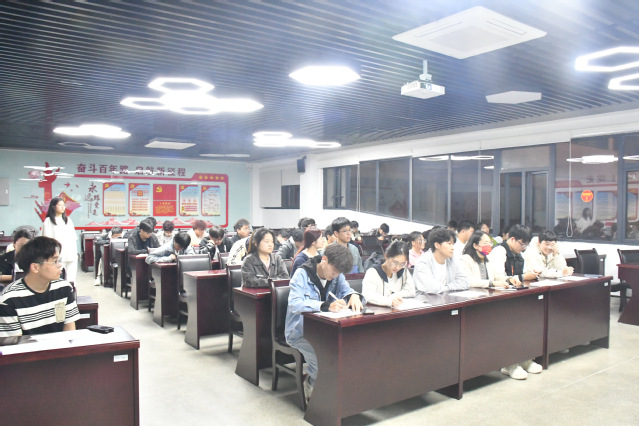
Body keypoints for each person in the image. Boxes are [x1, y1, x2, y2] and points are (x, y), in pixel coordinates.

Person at [285, 244, 364, 403]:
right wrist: (324, 306)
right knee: (322, 358)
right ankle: (313, 391)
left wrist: (354, 295)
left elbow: (347, 290)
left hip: (327, 332)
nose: (335, 276)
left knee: (351, 354)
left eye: (339, 273)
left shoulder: (337, 275)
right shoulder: (302, 274)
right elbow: (295, 304)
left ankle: (337, 397)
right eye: (334, 271)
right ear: (324, 260)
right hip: (300, 332)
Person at [0, 237, 80, 337]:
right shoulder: (9, 299)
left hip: (60, 346)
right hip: (26, 347)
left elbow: (69, 331)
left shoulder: (64, 288)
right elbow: (14, 342)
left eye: (59, 260)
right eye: (55, 261)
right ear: (35, 267)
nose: (60, 265)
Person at [413, 228, 469, 294]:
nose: (452, 248)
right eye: (449, 244)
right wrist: (450, 287)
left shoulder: (452, 259)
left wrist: (446, 288)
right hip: (426, 298)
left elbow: (465, 282)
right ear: (437, 245)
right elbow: (431, 288)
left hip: (445, 296)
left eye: (453, 244)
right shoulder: (423, 262)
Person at [362, 241, 416, 307]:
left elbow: (411, 291)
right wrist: (389, 301)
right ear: (386, 256)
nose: (397, 267)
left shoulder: (403, 270)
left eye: (402, 264)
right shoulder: (373, 272)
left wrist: (395, 295)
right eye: (395, 262)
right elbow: (368, 295)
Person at [42, 197, 78, 284]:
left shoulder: (68, 220)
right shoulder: (48, 221)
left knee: (71, 276)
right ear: (53, 207)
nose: (62, 207)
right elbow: (46, 240)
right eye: (59, 205)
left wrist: (75, 252)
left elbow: (73, 238)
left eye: (64, 205)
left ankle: (71, 289)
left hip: (70, 252)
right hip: (57, 253)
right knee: (58, 277)